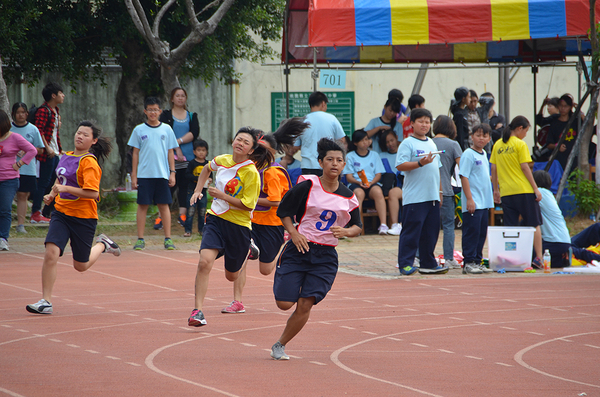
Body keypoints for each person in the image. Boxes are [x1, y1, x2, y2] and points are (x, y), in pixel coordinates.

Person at [187, 119, 306, 327]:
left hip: (251, 224)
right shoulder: (223, 160)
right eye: (238, 139)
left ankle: (250, 248)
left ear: (252, 150)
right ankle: (201, 310)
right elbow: (207, 168)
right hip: (218, 219)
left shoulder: (257, 172)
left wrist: (223, 196)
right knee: (204, 261)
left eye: (246, 142)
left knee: (247, 273)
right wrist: (199, 190)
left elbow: (257, 204)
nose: (240, 143)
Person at [270, 138, 362, 360]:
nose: (334, 163)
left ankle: (280, 345)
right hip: (299, 248)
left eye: (339, 160)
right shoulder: (307, 186)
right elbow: (283, 211)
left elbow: (358, 227)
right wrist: (294, 232)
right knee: (284, 304)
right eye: (329, 159)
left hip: (326, 256)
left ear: (344, 165)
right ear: (321, 162)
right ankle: (288, 284)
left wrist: (346, 232)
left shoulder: (349, 196)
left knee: (305, 304)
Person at [25, 121, 121, 314]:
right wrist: (52, 195)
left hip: (83, 217)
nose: (80, 136)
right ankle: (46, 301)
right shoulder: (66, 156)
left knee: (81, 266)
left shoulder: (89, 163)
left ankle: (102, 244)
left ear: (93, 141)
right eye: (78, 133)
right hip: (61, 213)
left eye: (85, 135)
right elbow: (59, 179)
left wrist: (65, 189)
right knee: (51, 252)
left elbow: (92, 193)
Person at [222, 118, 308, 314]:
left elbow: (276, 202)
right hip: (249, 222)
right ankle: (237, 301)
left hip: (271, 224)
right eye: (256, 149)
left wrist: (248, 200)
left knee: (265, 270)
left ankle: (284, 244)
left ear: (271, 154)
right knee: (241, 257)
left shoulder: (272, 173)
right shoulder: (246, 169)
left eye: (263, 151)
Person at [395, 108, 448, 275]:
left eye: (427, 122)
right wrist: (419, 163)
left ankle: (428, 263)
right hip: (415, 197)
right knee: (411, 231)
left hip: (431, 196)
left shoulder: (432, 143)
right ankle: (405, 264)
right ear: (411, 123)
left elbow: (437, 169)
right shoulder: (407, 143)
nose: (424, 125)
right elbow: (400, 165)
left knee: (430, 232)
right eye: (421, 121)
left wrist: (439, 193)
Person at [490, 116, 544, 267]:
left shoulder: (498, 145)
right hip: (523, 190)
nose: (525, 134)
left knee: (511, 227)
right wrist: (535, 188)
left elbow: (493, 168)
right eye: (526, 131)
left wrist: (496, 190)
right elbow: (525, 167)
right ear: (519, 128)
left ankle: (511, 258)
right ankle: (539, 258)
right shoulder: (520, 144)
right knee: (534, 224)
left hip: (506, 192)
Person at [128, 97, 178, 250]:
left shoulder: (167, 129)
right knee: (143, 205)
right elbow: (135, 154)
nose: (152, 112)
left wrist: (172, 172)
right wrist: (134, 176)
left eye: (155, 109)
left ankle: (168, 238)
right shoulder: (139, 130)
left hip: (162, 174)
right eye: (150, 110)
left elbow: (170, 152)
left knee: (164, 205)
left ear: (160, 111)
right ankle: (140, 238)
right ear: (145, 111)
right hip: (144, 175)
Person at [533, 170, 600, 268]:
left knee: (578, 252)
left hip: (557, 242)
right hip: (564, 239)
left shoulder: (539, 193)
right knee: (578, 248)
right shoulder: (549, 195)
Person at [156, 87, 200, 230]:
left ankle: (182, 215)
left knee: (184, 187)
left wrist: (178, 142)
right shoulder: (165, 115)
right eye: (177, 95)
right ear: (172, 99)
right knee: (167, 186)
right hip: (169, 157)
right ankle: (161, 216)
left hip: (188, 157)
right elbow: (164, 133)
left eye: (183, 96)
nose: (180, 98)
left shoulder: (191, 115)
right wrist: (176, 149)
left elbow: (194, 133)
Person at [0, 110, 37, 251]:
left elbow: (32, 150)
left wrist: (20, 164)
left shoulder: (14, 137)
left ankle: (3, 238)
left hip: (9, 179)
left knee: (4, 209)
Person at [460, 124, 494, 274]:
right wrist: (469, 199)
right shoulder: (468, 154)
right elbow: (464, 176)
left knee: (481, 233)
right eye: (478, 135)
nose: (481, 138)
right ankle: (468, 262)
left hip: (484, 202)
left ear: (489, 139)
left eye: (484, 136)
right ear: (472, 136)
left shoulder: (484, 155)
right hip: (473, 202)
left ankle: (478, 260)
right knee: (471, 232)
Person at [30, 82, 65, 224]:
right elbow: (39, 130)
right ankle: (35, 213)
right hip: (47, 154)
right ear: (53, 95)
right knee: (44, 182)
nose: (63, 96)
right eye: (61, 93)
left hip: (56, 153)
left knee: (53, 183)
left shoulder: (55, 110)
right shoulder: (44, 110)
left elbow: (54, 133)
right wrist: (47, 148)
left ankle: (46, 212)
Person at [432, 116, 462, 270]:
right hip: (447, 191)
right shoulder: (453, 144)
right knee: (449, 225)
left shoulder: (428, 142)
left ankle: (420, 256)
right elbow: (462, 167)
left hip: (429, 191)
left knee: (428, 225)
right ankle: (449, 258)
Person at [343, 129, 388, 234]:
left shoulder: (374, 155)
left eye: (367, 139)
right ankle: (357, 226)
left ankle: (383, 225)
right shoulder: (350, 156)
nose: (366, 142)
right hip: (356, 183)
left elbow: (378, 174)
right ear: (355, 143)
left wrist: (371, 183)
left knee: (378, 192)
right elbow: (349, 177)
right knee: (359, 194)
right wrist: (359, 183)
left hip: (372, 183)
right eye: (362, 140)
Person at [11, 103, 45, 234]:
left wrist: (27, 150)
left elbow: (40, 150)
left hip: (27, 168)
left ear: (27, 114)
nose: (20, 115)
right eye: (18, 112)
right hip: (9, 167)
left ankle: (20, 224)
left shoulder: (33, 129)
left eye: (23, 112)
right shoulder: (8, 129)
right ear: (13, 114)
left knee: (23, 195)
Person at [294, 91, 346, 176]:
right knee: (327, 189)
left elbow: (295, 146)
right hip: (327, 165)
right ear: (323, 104)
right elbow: (342, 140)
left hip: (307, 166)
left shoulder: (302, 121)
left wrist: (308, 146)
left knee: (309, 189)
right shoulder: (332, 119)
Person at [535, 94, 579, 174]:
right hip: (558, 161)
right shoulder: (554, 121)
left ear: (570, 107)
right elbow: (549, 144)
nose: (563, 108)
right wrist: (557, 146)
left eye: (566, 106)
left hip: (574, 160)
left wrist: (579, 110)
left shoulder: (576, 121)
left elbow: (588, 125)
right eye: (561, 106)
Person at [378, 129, 403, 235]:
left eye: (392, 140)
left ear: (397, 138)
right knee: (393, 193)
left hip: (405, 185)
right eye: (387, 142)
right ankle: (395, 225)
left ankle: (401, 224)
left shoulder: (404, 153)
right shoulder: (381, 156)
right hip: (390, 188)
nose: (390, 144)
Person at [184, 139, 211, 237]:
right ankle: (188, 230)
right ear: (194, 152)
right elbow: (187, 175)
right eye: (199, 150)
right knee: (191, 210)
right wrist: (199, 178)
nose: (201, 152)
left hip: (203, 192)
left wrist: (210, 180)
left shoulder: (208, 164)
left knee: (202, 211)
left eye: (203, 150)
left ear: (206, 152)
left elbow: (210, 175)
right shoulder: (192, 163)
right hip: (191, 190)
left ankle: (202, 230)